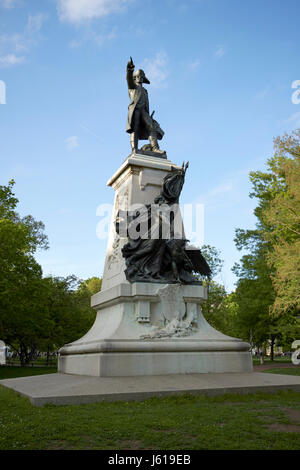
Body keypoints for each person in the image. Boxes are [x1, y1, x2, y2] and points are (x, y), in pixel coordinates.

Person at [126, 57, 165, 154]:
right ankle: (134, 149)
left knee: (151, 126)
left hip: (143, 111)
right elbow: (128, 78)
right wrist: (130, 69)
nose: (140, 78)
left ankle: (155, 148)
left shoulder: (145, 91)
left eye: (141, 76)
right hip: (135, 110)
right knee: (134, 129)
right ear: (135, 78)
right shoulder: (132, 87)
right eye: (138, 76)